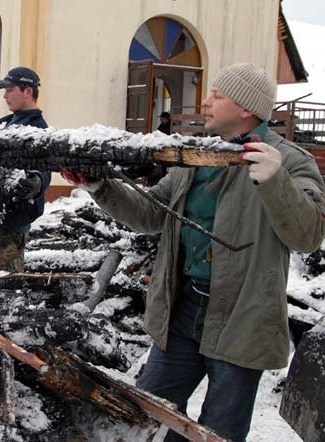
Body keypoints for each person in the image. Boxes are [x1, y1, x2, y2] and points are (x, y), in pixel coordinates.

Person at [61, 63, 325, 441]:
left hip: (242, 317)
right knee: (150, 414)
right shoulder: (194, 156)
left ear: (247, 108)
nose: (205, 102)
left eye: (217, 95)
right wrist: (101, 186)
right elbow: (152, 212)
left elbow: (308, 235)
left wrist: (275, 181)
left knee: (220, 430)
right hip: (182, 309)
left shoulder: (291, 162)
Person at [0, 66, 51, 272]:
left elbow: (44, 171)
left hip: (8, 223)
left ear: (28, 91)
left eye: (9, 90)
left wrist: (36, 183)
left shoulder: (38, 130)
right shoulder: (4, 126)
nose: (4, 96)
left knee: (4, 284)